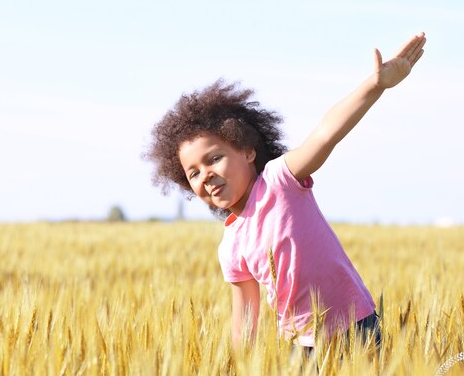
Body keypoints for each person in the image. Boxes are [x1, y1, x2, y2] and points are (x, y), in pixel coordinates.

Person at [145, 33, 426, 353]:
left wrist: (374, 85)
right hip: (299, 347)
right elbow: (245, 317)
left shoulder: (280, 181)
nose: (206, 175)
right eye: (193, 173)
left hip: (354, 327)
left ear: (248, 151)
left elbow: (325, 134)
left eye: (214, 159)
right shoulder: (231, 246)